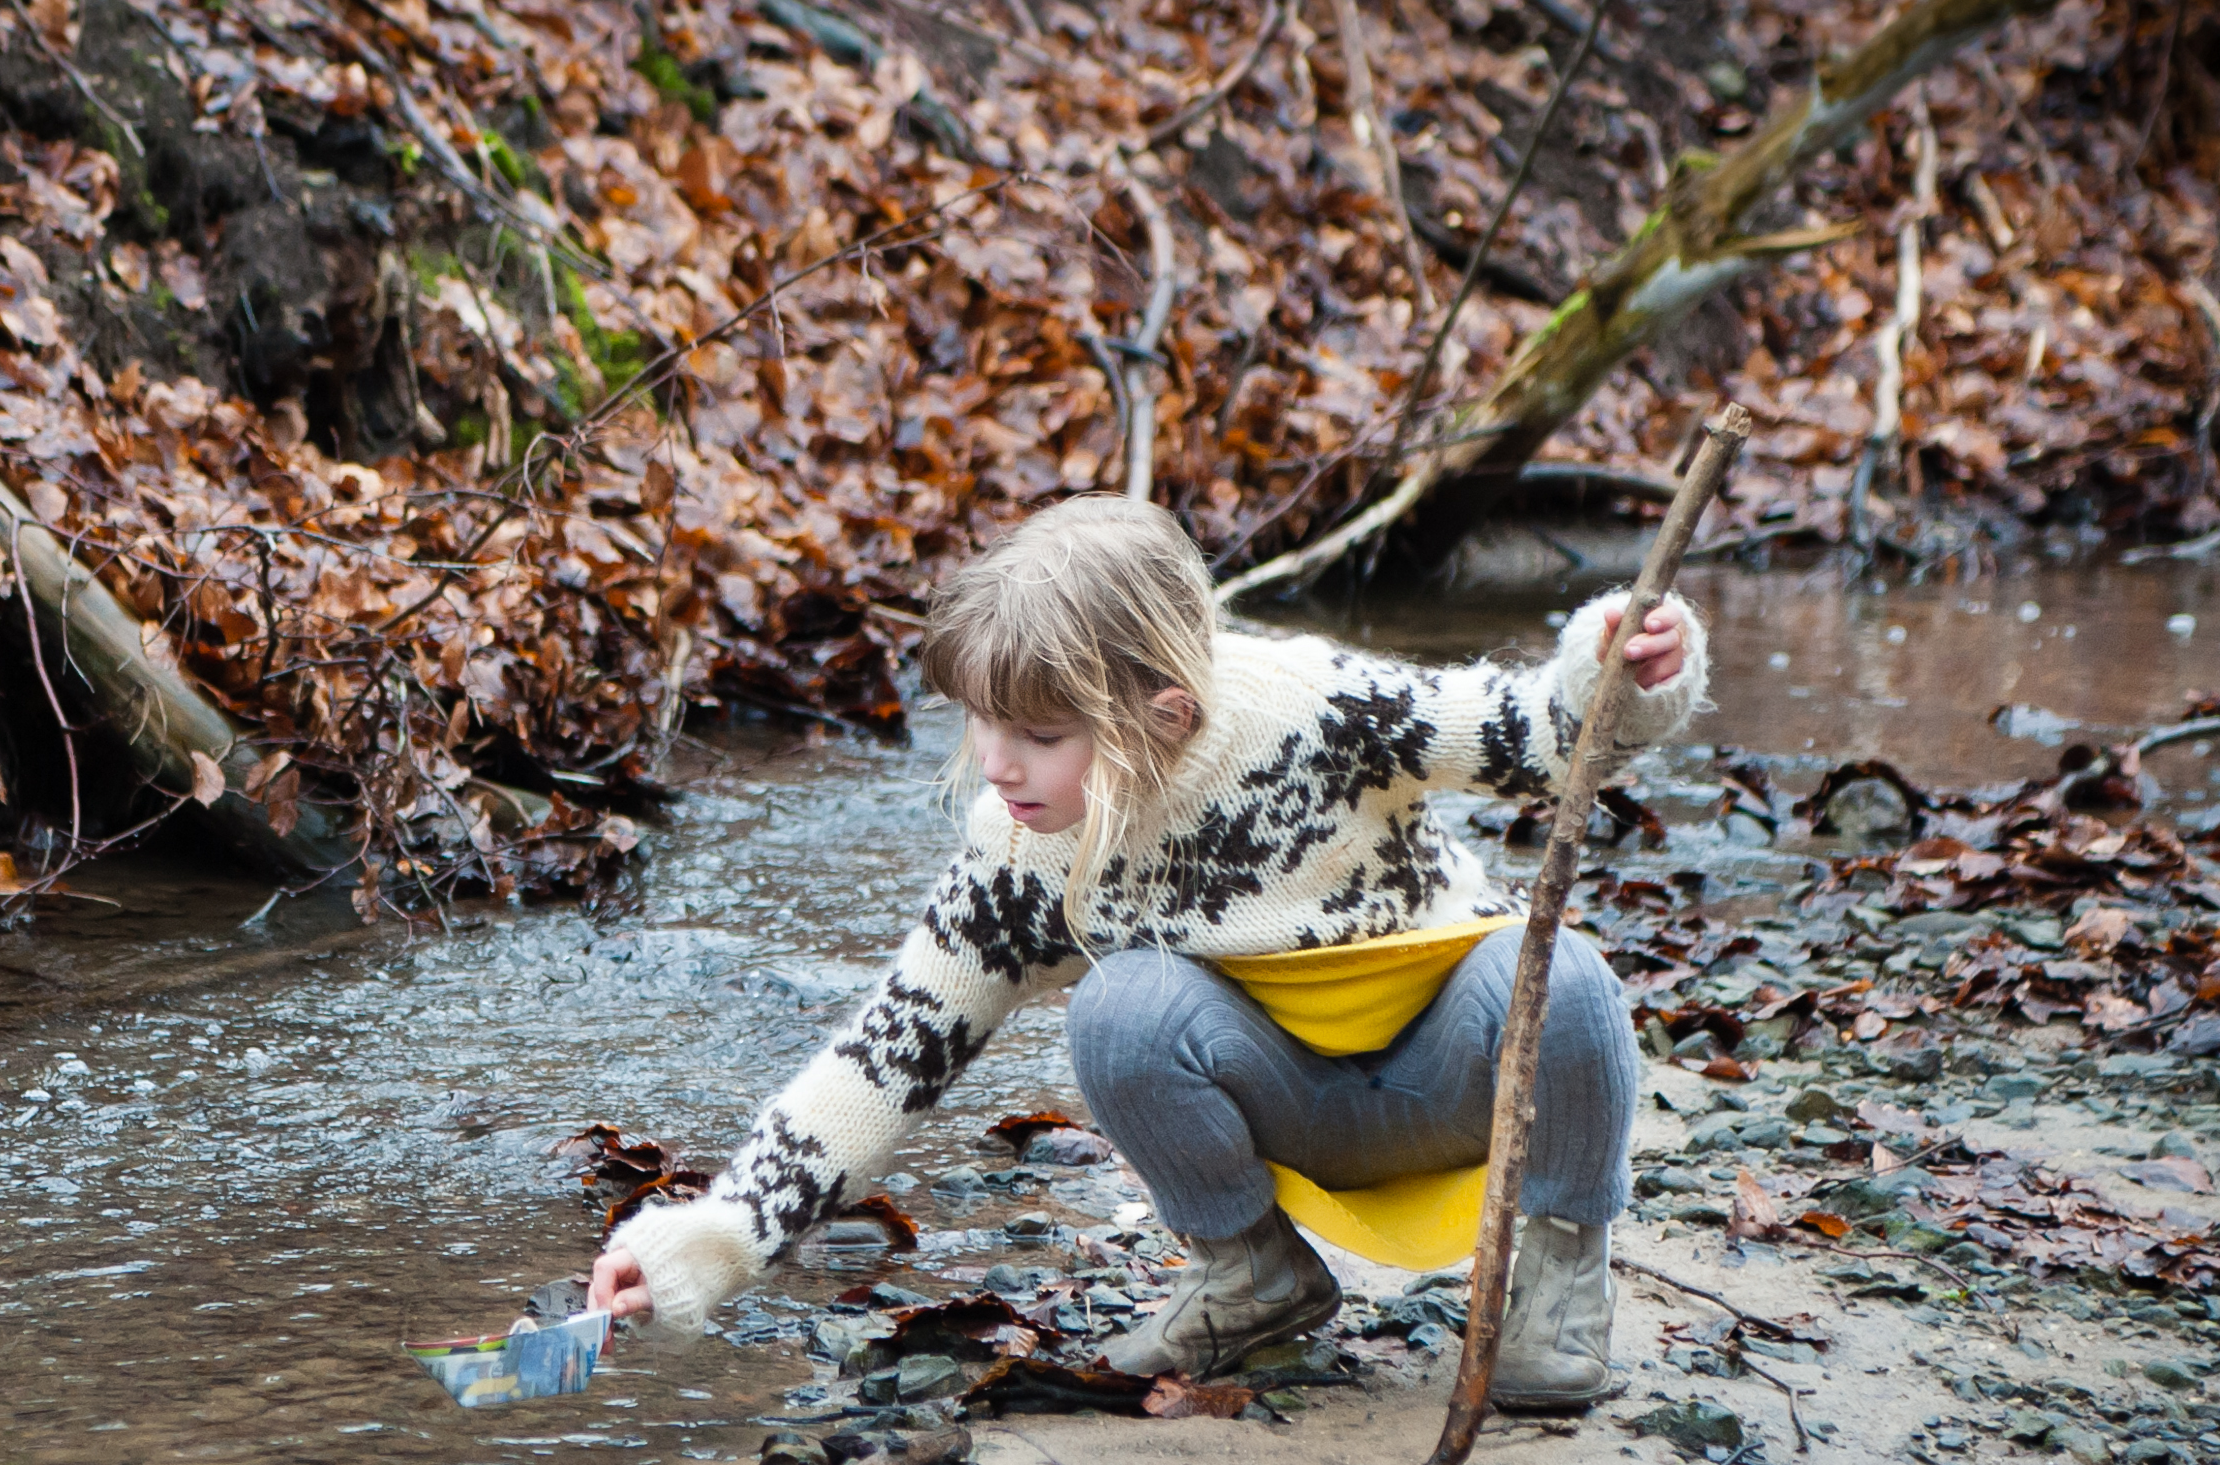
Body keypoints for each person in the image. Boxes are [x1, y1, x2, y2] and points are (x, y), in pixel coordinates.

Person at [583, 493, 1702, 1411]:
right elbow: (885, 1056)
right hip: (1286, 1112)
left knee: (1560, 978)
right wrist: (715, 1239)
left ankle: (1555, 1266)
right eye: (980, 723)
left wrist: (1622, 667)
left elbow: (1541, 740)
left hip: (1462, 1080)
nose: (996, 766)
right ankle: (1251, 1272)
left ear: (1163, 714)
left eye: (1037, 735)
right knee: (1121, 1008)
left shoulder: (1315, 709)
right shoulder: (1022, 852)